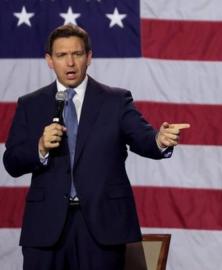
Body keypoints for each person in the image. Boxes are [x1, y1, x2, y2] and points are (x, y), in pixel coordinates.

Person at [2, 24, 190, 270]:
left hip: (102, 227)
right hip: (46, 227)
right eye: (61, 55)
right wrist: (40, 146)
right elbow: (12, 162)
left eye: (77, 54)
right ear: (49, 60)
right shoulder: (30, 104)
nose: (70, 63)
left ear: (89, 57)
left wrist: (159, 140)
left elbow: (143, 139)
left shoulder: (115, 100)